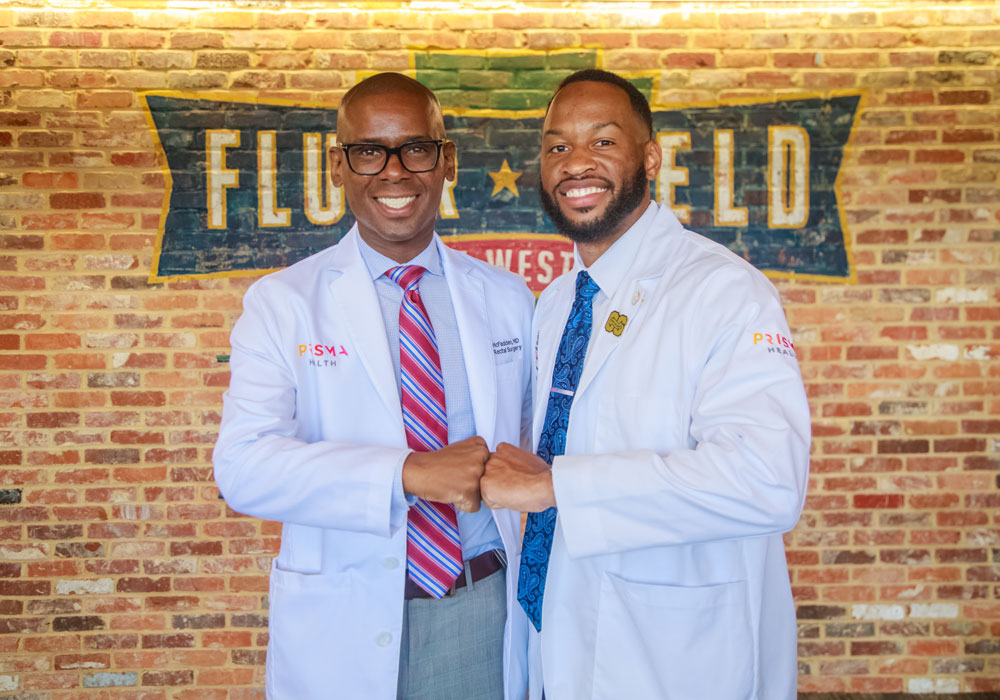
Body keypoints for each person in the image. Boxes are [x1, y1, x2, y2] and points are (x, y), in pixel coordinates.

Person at [480, 69, 811, 700]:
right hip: (556, 630)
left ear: (650, 157)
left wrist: (556, 486)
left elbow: (769, 481)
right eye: (556, 146)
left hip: (675, 656)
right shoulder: (556, 302)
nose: (575, 163)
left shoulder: (724, 291)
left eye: (603, 142)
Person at [214, 72, 531, 699]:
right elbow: (243, 468)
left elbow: (533, 451)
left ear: (447, 162)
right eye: (369, 151)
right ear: (339, 165)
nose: (394, 172)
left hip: (484, 605)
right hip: (343, 615)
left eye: (417, 148)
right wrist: (409, 473)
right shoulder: (283, 304)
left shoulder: (507, 298)